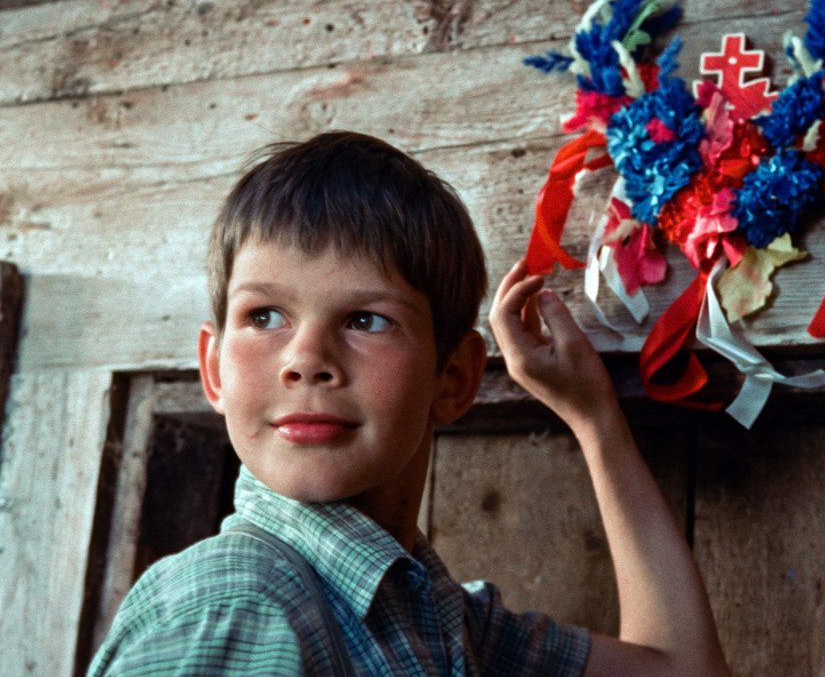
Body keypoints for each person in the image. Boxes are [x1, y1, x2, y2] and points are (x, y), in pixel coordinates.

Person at [88, 131, 730, 676]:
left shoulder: (439, 619)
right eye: (265, 316)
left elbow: (680, 669)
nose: (305, 358)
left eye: (365, 320)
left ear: (452, 378)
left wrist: (594, 418)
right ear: (213, 368)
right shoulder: (232, 606)